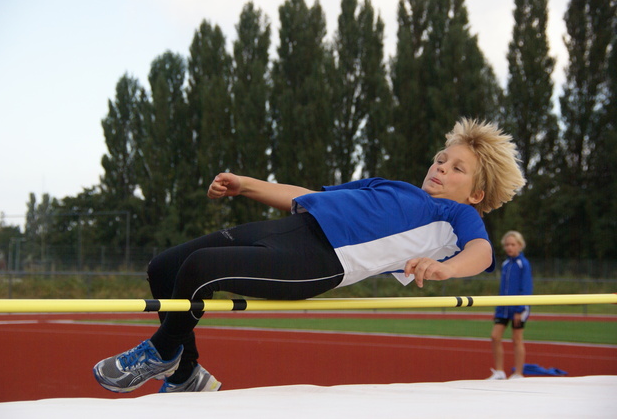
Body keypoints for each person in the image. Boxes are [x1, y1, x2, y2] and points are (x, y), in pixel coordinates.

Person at [93, 118, 525, 393]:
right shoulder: (390, 186)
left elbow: (482, 253)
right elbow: (310, 197)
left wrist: (444, 268)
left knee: (200, 270)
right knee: (164, 266)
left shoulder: (454, 216)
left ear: (476, 193)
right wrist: (247, 184)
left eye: (456, 169)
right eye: (441, 159)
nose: (441, 168)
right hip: (291, 229)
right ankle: (185, 373)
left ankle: (163, 351)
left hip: (320, 260)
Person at [487, 230, 533, 380]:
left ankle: (518, 373)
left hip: (518, 308)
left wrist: (520, 309)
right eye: (507, 245)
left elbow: (526, 288)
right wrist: (498, 308)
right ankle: (500, 371)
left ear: (520, 245)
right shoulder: (506, 264)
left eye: (512, 244)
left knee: (517, 339)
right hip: (503, 308)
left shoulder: (523, 264)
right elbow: (503, 289)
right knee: (495, 336)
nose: (509, 247)